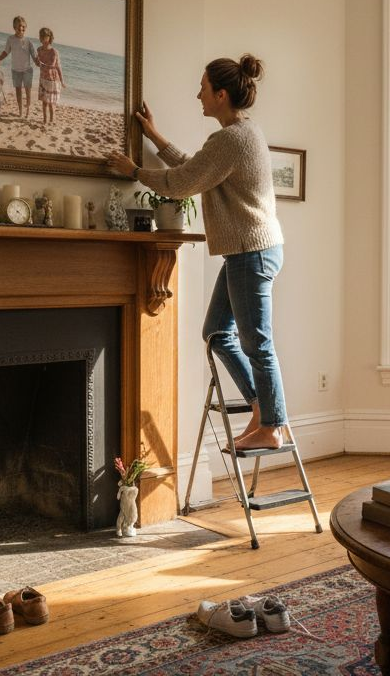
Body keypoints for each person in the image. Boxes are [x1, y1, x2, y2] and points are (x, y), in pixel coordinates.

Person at [105, 54, 287, 451]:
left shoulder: (231, 139)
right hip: (251, 250)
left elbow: (181, 183)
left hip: (250, 252)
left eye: (202, 87)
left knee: (257, 343)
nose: (197, 94)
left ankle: (272, 425)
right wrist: (154, 137)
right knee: (218, 333)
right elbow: (196, 168)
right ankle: (262, 409)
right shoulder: (242, 133)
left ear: (220, 95)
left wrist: (134, 170)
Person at [0, 16, 34, 118]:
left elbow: (34, 55)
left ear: (25, 27)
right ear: (14, 27)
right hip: (15, 70)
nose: (21, 28)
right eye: (19, 26)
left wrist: (38, 62)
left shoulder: (28, 41)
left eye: (23, 26)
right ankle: (20, 111)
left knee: (28, 91)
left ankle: (28, 110)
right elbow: (6, 51)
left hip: (27, 70)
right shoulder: (10, 39)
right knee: (18, 91)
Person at [34, 27, 67, 125]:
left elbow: (58, 67)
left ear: (49, 37)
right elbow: (37, 63)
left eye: (45, 36)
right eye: (41, 36)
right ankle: (44, 120)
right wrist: (36, 62)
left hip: (53, 81)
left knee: (51, 104)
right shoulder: (39, 50)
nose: (43, 38)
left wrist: (62, 81)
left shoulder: (54, 52)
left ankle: (52, 121)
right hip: (43, 79)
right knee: (44, 102)